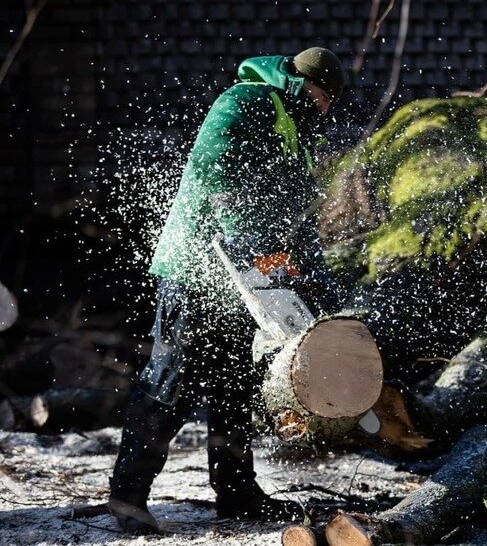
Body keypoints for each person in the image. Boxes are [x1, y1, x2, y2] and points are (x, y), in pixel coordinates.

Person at [109, 48, 346, 533]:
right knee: (170, 378)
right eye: (323, 97)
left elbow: (293, 217)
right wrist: (247, 241)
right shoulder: (244, 101)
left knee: (235, 383)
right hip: (199, 268)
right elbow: (214, 171)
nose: (325, 109)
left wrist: (313, 276)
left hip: (244, 282)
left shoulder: (294, 132)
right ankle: (128, 496)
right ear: (304, 84)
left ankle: (236, 492)